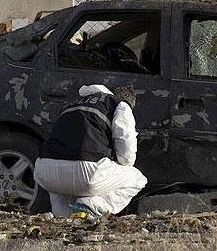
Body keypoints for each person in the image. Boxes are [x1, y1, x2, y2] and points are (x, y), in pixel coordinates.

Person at [33, 84, 147, 219]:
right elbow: (127, 157)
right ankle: (92, 205)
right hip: (85, 172)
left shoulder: (70, 105)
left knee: (64, 175)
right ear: (129, 102)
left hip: (45, 172)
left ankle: (63, 215)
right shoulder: (120, 105)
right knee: (137, 178)